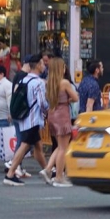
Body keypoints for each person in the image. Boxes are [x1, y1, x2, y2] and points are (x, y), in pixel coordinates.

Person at [3, 55, 50, 186]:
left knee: (38, 146)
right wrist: (49, 109)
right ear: (38, 65)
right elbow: (42, 103)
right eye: (42, 63)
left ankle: (47, 172)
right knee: (24, 146)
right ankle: (10, 174)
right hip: (33, 119)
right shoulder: (39, 82)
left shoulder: (24, 80)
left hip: (24, 117)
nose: (44, 66)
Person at [43, 58, 78, 187]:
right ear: (60, 69)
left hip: (52, 113)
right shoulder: (64, 82)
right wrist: (68, 100)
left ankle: (48, 169)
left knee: (59, 145)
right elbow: (75, 97)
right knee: (63, 148)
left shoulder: (48, 83)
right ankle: (59, 177)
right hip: (62, 114)